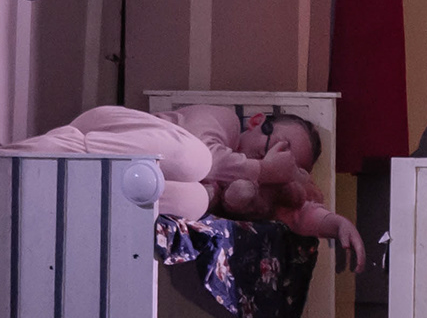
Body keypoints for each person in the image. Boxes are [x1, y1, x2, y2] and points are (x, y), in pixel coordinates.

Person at [5, 103, 365, 270]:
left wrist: (338, 224)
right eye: (277, 144)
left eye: (287, 163)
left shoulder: (257, 191)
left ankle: (75, 198)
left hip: (120, 188)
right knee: (197, 160)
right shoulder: (223, 120)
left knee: (196, 200)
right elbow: (209, 158)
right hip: (105, 138)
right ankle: (28, 159)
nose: (273, 157)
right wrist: (264, 169)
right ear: (257, 121)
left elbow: (298, 214)